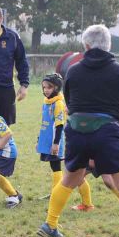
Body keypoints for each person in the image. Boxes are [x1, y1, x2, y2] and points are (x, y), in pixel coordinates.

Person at [36, 24, 119, 237]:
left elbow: (70, 103)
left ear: (86, 46)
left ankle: (50, 225)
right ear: (109, 46)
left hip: (76, 132)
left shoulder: (73, 71)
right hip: (107, 132)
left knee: (69, 180)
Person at [36, 73, 93, 210]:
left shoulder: (58, 104)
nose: (46, 90)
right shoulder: (47, 102)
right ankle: (55, 193)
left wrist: (56, 144)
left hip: (56, 143)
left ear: (57, 87)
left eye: (49, 87)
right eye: (44, 87)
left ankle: (87, 203)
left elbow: (59, 125)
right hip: (48, 141)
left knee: (75, 174)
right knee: (55, 168)